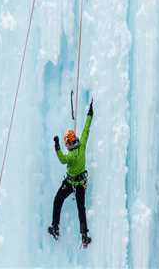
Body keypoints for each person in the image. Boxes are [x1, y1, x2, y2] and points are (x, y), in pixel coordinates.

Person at [48, 99, 93, 247]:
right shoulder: (83, 145)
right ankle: (84, 235)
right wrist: (90, 114)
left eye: (66, 143)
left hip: (71, 182)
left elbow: (62, 159)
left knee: (57, 200)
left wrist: (57, 146)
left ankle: (55, 227)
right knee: (81, 208)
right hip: (81, 183)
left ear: (68, 143)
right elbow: (86, 130)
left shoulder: (72, 155)